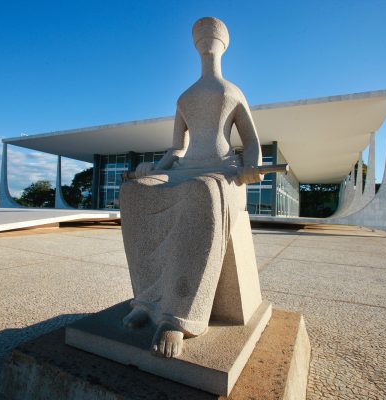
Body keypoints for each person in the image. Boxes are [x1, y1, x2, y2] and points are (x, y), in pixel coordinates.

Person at [119, 17, 263, 358]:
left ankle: (177, 316)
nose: (205, 40)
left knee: (202, 192)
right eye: (199, 35)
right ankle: (147, 300)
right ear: (193, 44)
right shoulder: (185, 97)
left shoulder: (232, 91)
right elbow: (177, 149)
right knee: (133, 193)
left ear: (223, 43)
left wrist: (252, 165)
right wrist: (153, 171)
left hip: (223, 172)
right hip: (185, 169)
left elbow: (252, 142)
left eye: (211, 35)